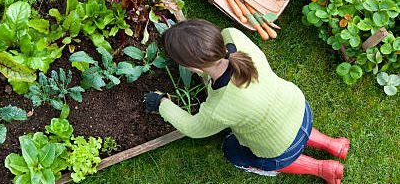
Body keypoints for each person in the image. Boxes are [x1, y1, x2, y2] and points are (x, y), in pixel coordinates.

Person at [144, 19, 349, 184]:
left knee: (232, 151)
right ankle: (333, 144)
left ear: (194, 69)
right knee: (290, 126)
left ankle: (323, 169)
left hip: (279, 148)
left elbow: (193, 128)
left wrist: (161, 102)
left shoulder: (219, 107)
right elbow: (224, 37)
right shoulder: (235, 37)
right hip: (299, 108)